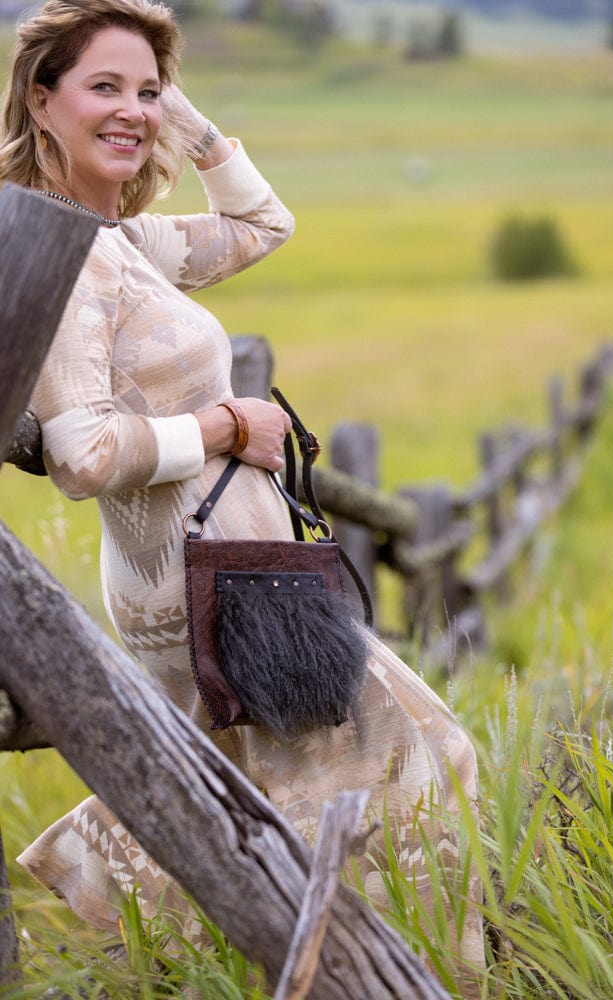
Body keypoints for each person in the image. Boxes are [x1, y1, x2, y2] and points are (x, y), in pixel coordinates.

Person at [0, 0, 484, 993]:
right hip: (205, 587)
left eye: (147, 88)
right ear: (40, 102)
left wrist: (182, 119)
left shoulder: (125, 241)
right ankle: (405, 979)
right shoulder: (65, 259)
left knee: (265, 796)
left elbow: (265, 223)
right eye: (104, 88)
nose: (131, 109)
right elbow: (82, 451)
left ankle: (136, 909)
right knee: (428, 757)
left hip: (238, 574)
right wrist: (224, 427)